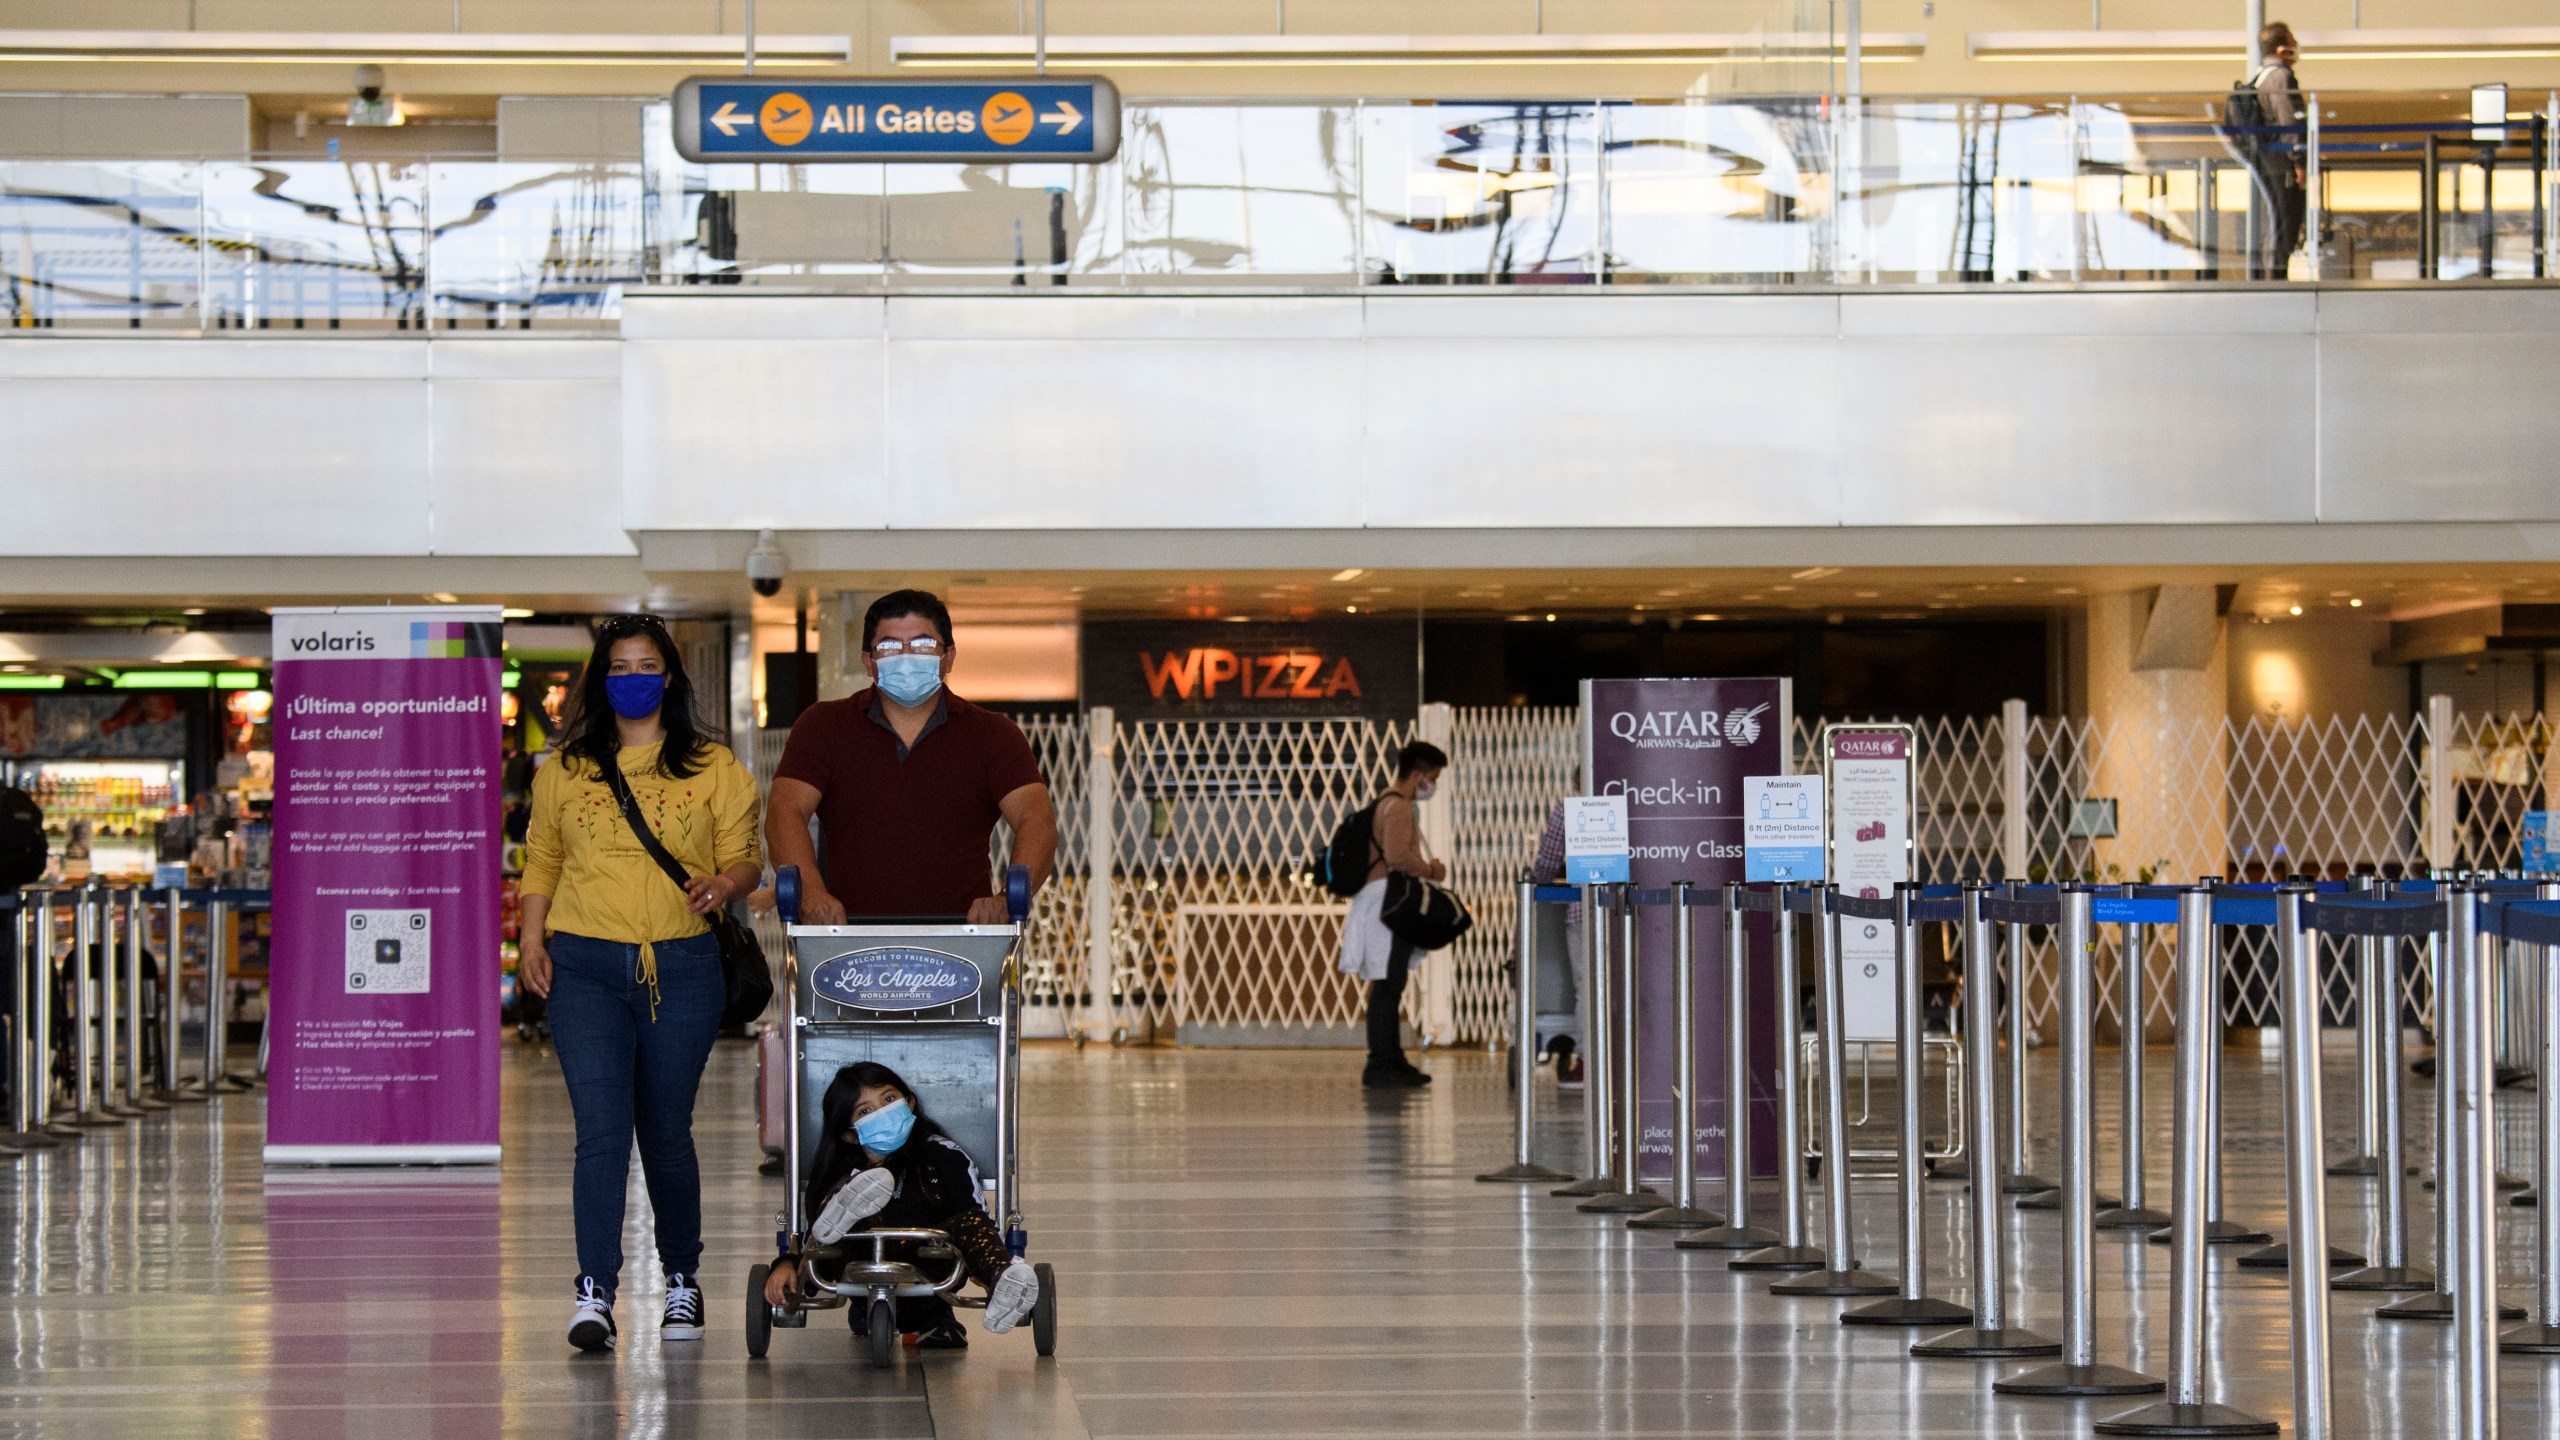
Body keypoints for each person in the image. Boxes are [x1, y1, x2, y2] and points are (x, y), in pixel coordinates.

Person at [518, 614, 764, 1353]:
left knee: (665, 1132)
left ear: (669, 676)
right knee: (600, 1134)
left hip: (682, 968)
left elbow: (745, 860)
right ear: (600, 679)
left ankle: (682, 1281)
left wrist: (724, 883)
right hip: (584, 968)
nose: (632, 678)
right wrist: (531, 937)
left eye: (645, 665)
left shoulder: (712, 766)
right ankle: (594, 1289)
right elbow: (542, 861)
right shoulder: (566, 769)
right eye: (618, 666)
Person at [765, 590, 1056, 925]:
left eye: (922, 644)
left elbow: (1037, 822)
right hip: (847, 941)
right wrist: (812, 894)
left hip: (962, 945)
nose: (905, 657)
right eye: (889, 646)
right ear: (868, 661)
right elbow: (784, 812)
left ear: (949, 657)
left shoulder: (993, 734)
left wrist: (1007, 901)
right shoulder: (823, 726)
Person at [760, 1061, 1041, 1348]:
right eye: (865, 1111)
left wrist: (988, 1264)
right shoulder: (839, 1170)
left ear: (910, 1103)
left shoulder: (942, 1155)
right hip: (857, 1265)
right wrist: (786, 1264)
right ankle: (846, 1210)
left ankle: (1003, 1279)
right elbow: (810, 1235)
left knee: (967, 1223)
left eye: (889, 1099)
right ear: (850, 1133)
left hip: (930, 1264)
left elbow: (975, 1216)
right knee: (834, 1223)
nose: (882, 1112)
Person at [1338, 740, 1448, 1089]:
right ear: (1418, 775)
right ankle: (1381, 1063)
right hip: (1388, 904)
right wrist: (1431, 870)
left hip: (1377, 903)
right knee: (1388, 985)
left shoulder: (1382, 803)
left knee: (1389, 983)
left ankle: (1391, 1059)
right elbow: (1398, 858)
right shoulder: (1399, 808)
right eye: (1433, 777)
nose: (1433, 785)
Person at [2246, 22, 2307, 279]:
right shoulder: (2280, 77)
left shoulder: (2261, 77)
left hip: (2268, 165)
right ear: (2282, 49)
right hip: (2282, 165)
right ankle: (2277, 283)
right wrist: (2299, 162)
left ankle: (2272, 280)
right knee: (2284, 225)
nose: (2296, 48)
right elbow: (2289, 121)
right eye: (2292, 42)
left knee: (2275, 225)